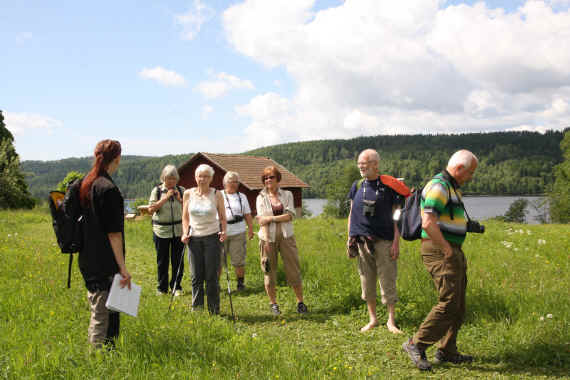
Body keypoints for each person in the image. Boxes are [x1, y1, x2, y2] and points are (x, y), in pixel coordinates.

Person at [402, 150, 478, 371]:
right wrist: (446, 249)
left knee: (459, 304)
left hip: (450, 248)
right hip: (440, 250)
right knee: (449, 302)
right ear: (459, 168)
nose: (471, 177)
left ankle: (447, 350)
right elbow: (427, 222)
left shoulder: (452, 187)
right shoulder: (440, 186)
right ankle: (415, 344)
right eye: (470, 172)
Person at [77, 139, 131, 350]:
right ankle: (97, 359)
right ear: (117, 159)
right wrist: (123, 268)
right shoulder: (108, 189)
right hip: (105, 261)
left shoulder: (86, 183)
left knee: (103, 308)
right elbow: (114, 234)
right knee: (102, 313)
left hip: (87, 256)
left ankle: (110, 353)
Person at [347, 149, 403, 333]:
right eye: (359, 163)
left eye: (365, 162)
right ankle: (373, 319)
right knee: (366, 280)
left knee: (388, 279)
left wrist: (396, 240)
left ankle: (391, 321)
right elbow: (352, 212)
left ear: (376, 164)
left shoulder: (388, 186)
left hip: (384, 240)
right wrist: (350, 237)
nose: (361, 166)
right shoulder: (357, 185)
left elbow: (397, 214)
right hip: (362, 241)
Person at [256, 166, 307, 315]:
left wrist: (270, 218)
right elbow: (261, 221)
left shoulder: (287, 195)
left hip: (286, 236)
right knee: (269, 270)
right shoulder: (261, 197)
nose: (268, 180)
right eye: (265, 178)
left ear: (278, 179)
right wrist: (265, 241)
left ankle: (300, 302)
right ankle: (273, 304)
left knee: (293, 269)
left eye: (271, 177)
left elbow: (290, 215)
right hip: (268, 238)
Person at [181, 164, 227, 314]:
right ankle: (197, 310)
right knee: (196, 277)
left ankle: (214, 311)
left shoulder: (216, 194)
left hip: (212, 238)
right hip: (193, 239)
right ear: (195, 177)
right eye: (200, 176)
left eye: (206, 176)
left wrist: (224, 231)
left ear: (211, 178)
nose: (203, 179)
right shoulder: (188, 194)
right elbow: (185, 217)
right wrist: (184, 233)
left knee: (211, 276)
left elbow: (222, 217)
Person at [148, 165, 185, 296]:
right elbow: (151, 209)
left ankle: (176, 286)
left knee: (178, 261)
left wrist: (180, 200)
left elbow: (188, 208)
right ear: (163, 178)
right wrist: (165, 198)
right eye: (169, 179)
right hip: (161, 231)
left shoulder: (181, 190)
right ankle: (162, 288)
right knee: (162, 261)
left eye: (174, 179)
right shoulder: (157, 191)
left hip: (179, 230)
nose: (171, 182)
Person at [220, 171, 254, 291]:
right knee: (218, 260)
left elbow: (248, 215)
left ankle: (240, 283)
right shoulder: (218, 195)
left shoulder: (242, 196)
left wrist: (250, 229)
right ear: (225, 183)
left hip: (238, 231)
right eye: (231, 181)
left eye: (236, 181)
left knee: (238, 260)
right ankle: (216, 284)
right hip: (221, 232)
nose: (234, 184)